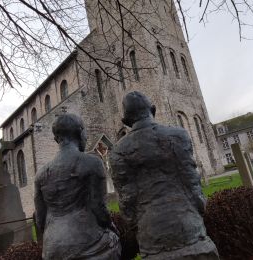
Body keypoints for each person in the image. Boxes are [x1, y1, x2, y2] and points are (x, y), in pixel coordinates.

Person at [110, 91, 219, 260]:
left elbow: (127, 202)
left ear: (125, 121)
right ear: (152, 110)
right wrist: (197, 213)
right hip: (189, 227)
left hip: (152, 234)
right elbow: (193, 182)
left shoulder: (118, 151)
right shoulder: (179, 135)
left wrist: (140, 226)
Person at [34, 114, 121, 260]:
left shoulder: (40, 174)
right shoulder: (92, 163)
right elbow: (99, 208)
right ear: (81, 133)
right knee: (114, 242)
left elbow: (40, 219)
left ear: (56, 139)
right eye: (85, 132)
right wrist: (113, 227)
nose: (87, 137)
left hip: (52, 248)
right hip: (86, 244)